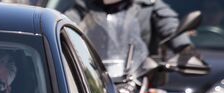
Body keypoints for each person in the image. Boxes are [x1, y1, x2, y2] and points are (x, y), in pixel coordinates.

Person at [65, 0, 198, 57]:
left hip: (139, 77)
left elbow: (169, 25)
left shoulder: (148, 4)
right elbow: (67, 21)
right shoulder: (86, 5)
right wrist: (60, 35)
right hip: (99, 73)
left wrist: (185, 48)